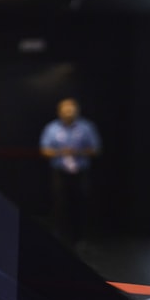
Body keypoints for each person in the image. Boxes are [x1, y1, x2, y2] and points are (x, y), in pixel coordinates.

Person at [40, 98, 102, 246]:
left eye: (71, 110)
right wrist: (61, 152)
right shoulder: (52, 128)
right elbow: (44, 150)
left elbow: (96, 149)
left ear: (77, 111)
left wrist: (78, 152)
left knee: (80, 203)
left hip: (80, 172)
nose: (68, 113)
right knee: (59, 203)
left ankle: (80, 237)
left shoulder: (86, 127)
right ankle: (58, 236)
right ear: (59, 112)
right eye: (65, 110)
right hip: (59, 171)